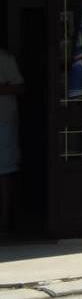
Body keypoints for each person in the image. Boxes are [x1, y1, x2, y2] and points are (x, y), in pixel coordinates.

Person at [0, 48, 24, 237]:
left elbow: (20, 87)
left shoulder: (4, 59)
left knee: (4, 172)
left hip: (3, 124)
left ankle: (4, 221)